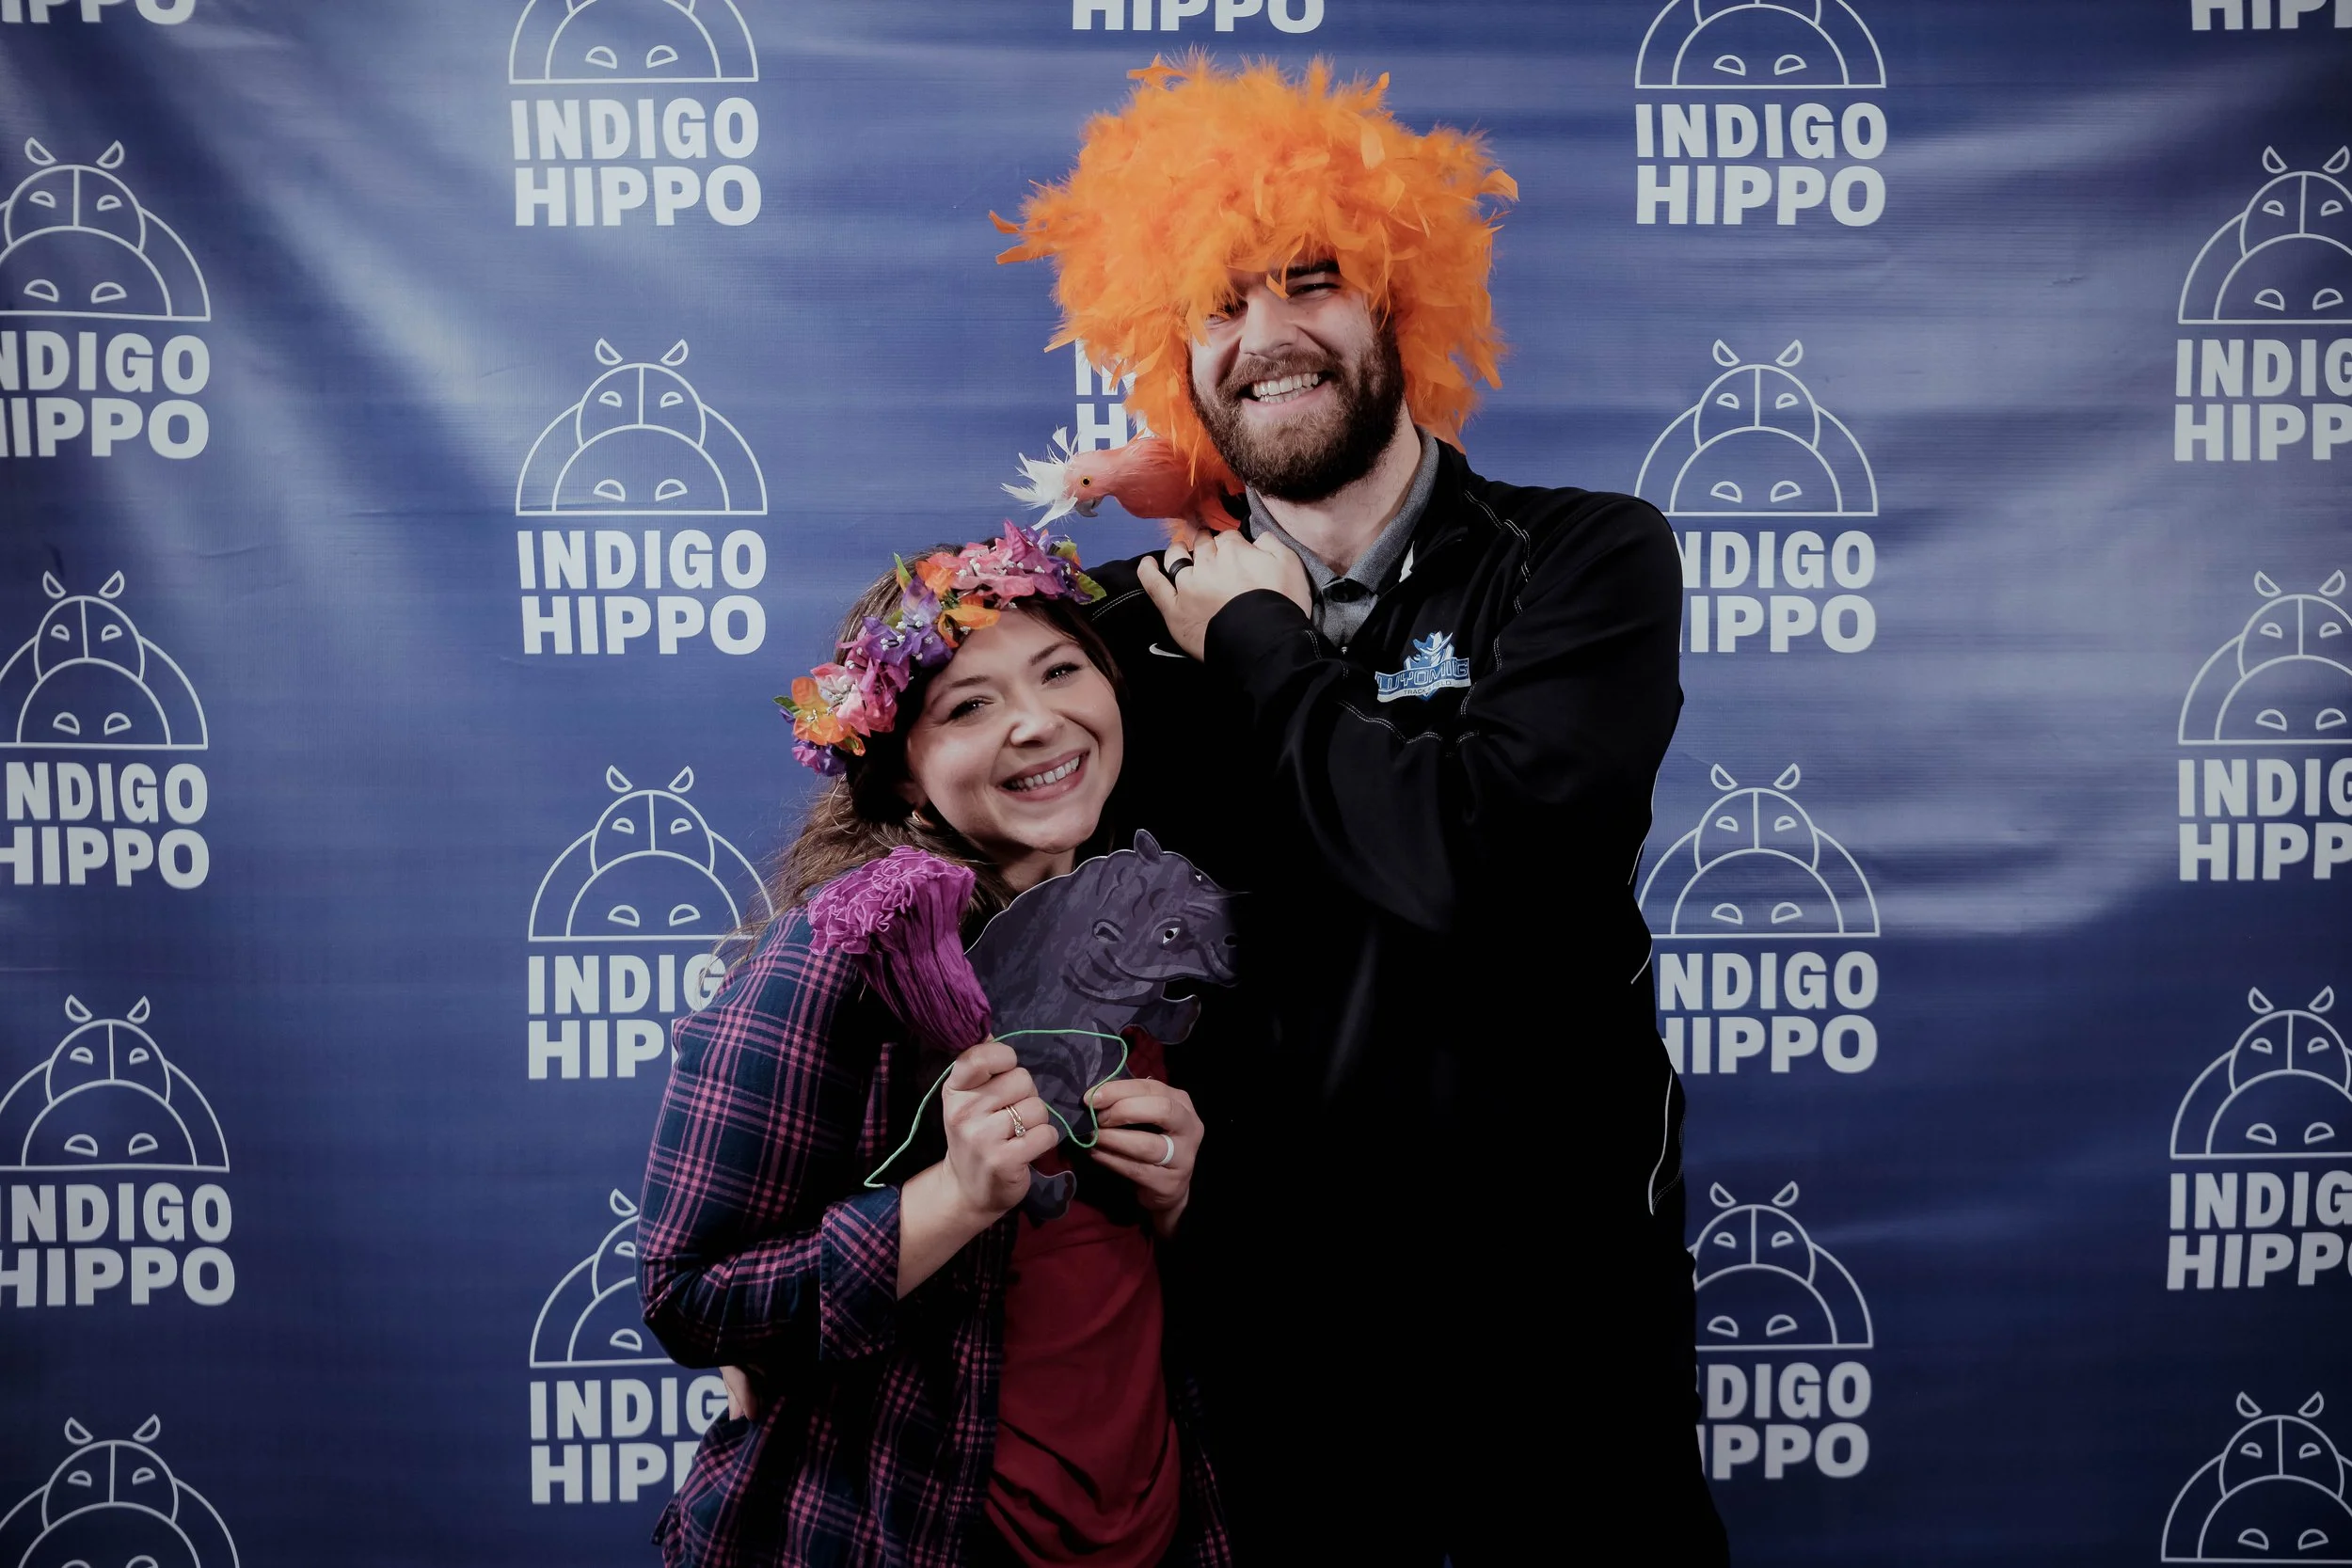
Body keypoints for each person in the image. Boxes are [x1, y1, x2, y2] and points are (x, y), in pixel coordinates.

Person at [996, 56, 1728, 1564]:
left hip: (1561, 1321)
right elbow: (936, 872)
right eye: (1219, 301)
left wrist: (1257, 635)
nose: (1267, 334)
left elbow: (1482, 862)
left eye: (1310, 280)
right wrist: (809, 1278)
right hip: (1266, 1330)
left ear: (1398, 297)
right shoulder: (1117, 634)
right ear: (1177, 355)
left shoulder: (1583, 557)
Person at [635, 526, 1231, 1568]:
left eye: (1060, 670)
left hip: (1152, 1529)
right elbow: (693, 1297)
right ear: (905, 774)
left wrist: (1177, 1199)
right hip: (917, 1527)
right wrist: (953, 1196)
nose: (1037, 720)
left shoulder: (1137, 924)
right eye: (968, 706)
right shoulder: (842, 955)